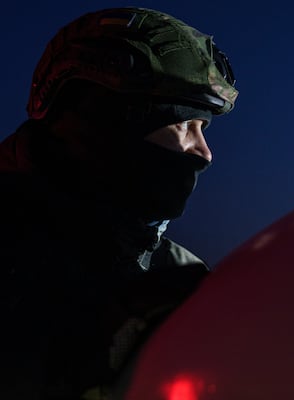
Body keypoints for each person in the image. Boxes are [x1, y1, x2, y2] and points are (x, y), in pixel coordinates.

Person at [0, 7, 238, 399]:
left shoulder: (174, 272)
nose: (205, 153)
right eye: (183, 125)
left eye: (204, 129)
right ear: (105, 124)